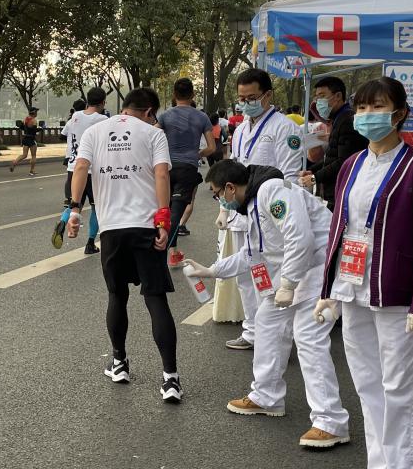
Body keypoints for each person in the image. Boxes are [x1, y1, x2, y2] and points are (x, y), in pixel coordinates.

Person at [314, 76, 413, 469]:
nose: (368, 115)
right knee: (368, 385)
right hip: (353, 288)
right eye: (362, 107)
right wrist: (329, 289)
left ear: (399, 113)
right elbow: (339, 228)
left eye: (378, 107)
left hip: (396, 294)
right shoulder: (352, 165)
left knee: (402, 389)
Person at [189, 160, 350, 448]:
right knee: (267, 321)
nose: (219, 201)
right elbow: (252, 255)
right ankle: (266, 396)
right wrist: (213, 270)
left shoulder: (272, 191)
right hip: (298, 271)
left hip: (320, 265)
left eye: (217, 194)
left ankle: (331, 422)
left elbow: (300, 238)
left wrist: (287, 284)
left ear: (229, 188)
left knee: (308, 336)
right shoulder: (252, 204)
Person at [67, 86, 181, 403]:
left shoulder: (94, 132)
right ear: (149, 112)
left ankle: (119, 363)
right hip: (146, 226)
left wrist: (74, 210)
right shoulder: (154, 134)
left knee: (117, 296)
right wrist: (163, 220)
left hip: (112, 229)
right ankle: (170, 379)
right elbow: (162, 175)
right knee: (155, 299)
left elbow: (80, 168)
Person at [223, 68, 304, 351]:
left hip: (270, 212)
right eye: (241, 98)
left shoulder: (285, 128)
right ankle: (252, 331)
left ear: (267, 95)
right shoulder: (240, 129)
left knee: (270, 275)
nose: (246, 104)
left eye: (252, 98)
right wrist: (225, 206)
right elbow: (234, 167)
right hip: (240, 210)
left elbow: (290, 176)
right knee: (246, 276)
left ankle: (279, 337)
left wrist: (281, 214)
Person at [157, 79, 214, 267]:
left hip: (166, 167)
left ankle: (172, 252)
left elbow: (151, 137)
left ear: (174, 94)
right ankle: (164, 253)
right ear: (193, 94)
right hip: (188, 168)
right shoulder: (202, 117)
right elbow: (212, 148)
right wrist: (197, 154)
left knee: (164, 209)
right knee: (176, 212)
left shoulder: (165, 116)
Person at [53, 87, 107, 253]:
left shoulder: (75, 116)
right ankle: (90, 243)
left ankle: (62, 223)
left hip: (73, 168)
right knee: (96, 207)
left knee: (74, 203)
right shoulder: (103, 120)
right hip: (92, 171)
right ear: (103, 102)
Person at [301, 75, 368, 209]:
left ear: (338, 96)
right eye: (316, 97)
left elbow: (344, 161)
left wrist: (314, 178)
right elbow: (331, 157)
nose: (318, 102)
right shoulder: (338, 119)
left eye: (322, 96)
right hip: (335, 190)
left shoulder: (347, 121)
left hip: (343, 191)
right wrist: (312, 170)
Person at [10, 107, 39, 175]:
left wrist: (27, 130)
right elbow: (34, 131)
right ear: (34, 113)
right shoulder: (34, 120)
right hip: (31, 139)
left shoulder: (25, 119)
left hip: (25, 138)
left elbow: (21, 127)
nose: (37, 113)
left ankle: (14, 163)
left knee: (24, 155)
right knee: (33, 156)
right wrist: (41, 129)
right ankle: (32, 170)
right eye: (36, 112)